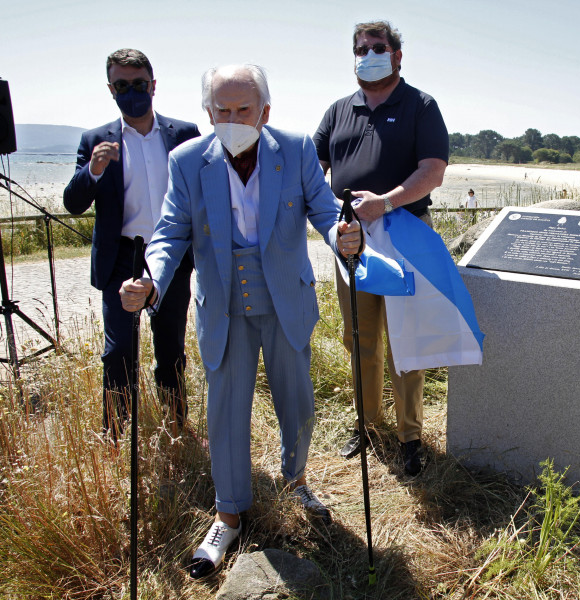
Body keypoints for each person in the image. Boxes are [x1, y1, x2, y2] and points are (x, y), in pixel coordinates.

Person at [120, 64, 362, 579]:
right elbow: (169, 233)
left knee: (297, 401)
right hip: (223, 305)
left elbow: (324, 212)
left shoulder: (295, 150)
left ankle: (295, 481)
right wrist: (152, 282)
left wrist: (342, 238)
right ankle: (228, 512)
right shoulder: (187, 161)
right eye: (221, 110)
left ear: (265, 111)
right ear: (207, 113)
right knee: (226, 411)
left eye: (243, 110)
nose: (232, 119)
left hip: (286, 301)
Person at [314, 20, 448, 476]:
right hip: (351, 237)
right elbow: (314, 167)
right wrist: (332, 210)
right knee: (360, 337)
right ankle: (367, 425)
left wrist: (385, 202)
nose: (367, 53)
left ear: (396, 55)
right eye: (360, 48)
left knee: (405, 339)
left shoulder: (421, 105)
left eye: (377, 46)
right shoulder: (337, 110)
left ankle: (410, 436)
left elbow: (432, 171)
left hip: (404, 231)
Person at [63, 49, 199, 438]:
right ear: (111, 90)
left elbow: (206, 192)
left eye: (138, 84)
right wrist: (93, 169)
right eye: (122, 85)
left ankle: (177, 425)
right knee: (119, 351)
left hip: (171, 255)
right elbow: (73, 204)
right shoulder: (95, 141)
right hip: (121, 257)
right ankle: (116, 434)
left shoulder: (184, 134)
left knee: (170, 347)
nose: (131, 91)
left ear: (153, 85)